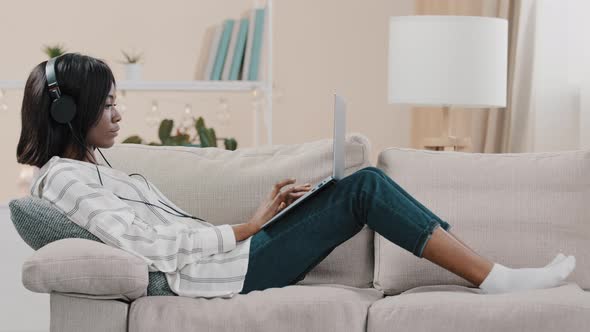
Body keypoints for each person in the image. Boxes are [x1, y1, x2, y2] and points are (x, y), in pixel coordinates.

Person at [17, 53, 576, 298]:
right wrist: (249, 225)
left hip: (236, 257)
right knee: (365, 188)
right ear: (68, 111)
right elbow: (152, 245)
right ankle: (496, 279)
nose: (118, 115)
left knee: (353, 189)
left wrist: (257, 224)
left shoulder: (93, 169)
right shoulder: (64, 180)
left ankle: (492, 273)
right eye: (107, 104)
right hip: (227, 275)